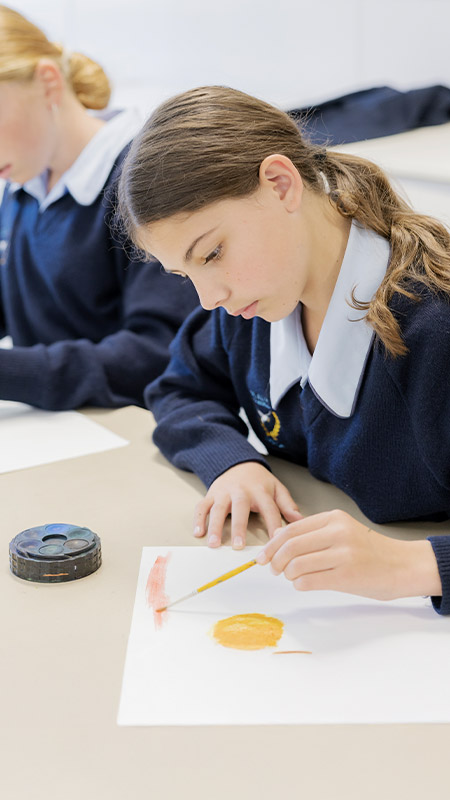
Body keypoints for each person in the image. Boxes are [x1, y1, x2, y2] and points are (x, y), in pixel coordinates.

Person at [118, 85, 450, 614]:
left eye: (213, 253)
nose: (210, 297)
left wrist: (412, 566)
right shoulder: (255, 305)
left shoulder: (435, 327)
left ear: (280, 184)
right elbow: (179, 386)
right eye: (186, 275)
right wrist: (230, 462)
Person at [0, 5, 197, 410]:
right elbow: (14, 298)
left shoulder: (146, 181)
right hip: (60, 427)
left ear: (49, 82)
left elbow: (158, 352)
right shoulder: (25, 181)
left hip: (134, 431)